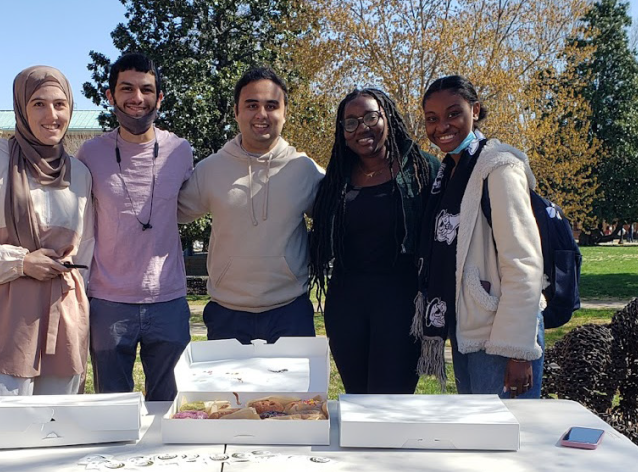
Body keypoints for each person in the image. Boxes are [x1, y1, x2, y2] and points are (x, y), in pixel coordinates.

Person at [415, 75, 551, 472]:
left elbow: (523, 260)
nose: (442, 125)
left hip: (503, 329)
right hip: (472, 324)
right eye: (432, 118)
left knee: (515, 439)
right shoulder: (449, 171)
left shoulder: (498, 167)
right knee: (487, 438)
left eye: (453, 113)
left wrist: (517, 349)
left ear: (476, 110)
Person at [0, 65, 93, 398]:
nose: (51, 115)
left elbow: (86, 251)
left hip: (64, 315)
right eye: (38, 104)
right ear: (21, 108)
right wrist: (21, 263)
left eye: (60, 104)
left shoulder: (80, 174)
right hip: (7, 316)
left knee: (60, 424)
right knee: (6, 424)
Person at [76, 53, 193, 402]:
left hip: (168, 299)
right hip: (109, 302)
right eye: (126, 88)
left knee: (172, 407)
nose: (136, 98)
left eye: (146, 89)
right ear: (110, 96)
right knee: (111, 411)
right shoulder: (90, 154)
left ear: (160, 98)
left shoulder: (181, 151)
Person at [178, 67, 324, 343]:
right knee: (228, 389)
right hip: (226, 313)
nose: (261, 114)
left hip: (290, 311)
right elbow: (168, 212)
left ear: (285, 113)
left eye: (271, 106)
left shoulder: (304, 169)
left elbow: (343, 215)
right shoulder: (211, 169)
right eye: (252, 105)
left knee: (289, 389)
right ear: (236, 112)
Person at [309, 88, 438, 394]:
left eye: (370, 117)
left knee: (390, 401)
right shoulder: (336, 179)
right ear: (342, 132)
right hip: (346, 305)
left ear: (387, 118)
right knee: (356, 399)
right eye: (350, 122)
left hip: (401, 304)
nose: (362, 127)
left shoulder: (422, 169)